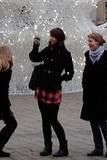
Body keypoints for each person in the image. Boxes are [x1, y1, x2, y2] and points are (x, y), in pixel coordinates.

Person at [29, 28, 74, 157]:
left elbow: (70, 73)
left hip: (54, 89)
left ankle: (63, 146)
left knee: (53, 119)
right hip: (42, 87)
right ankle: (47, 146)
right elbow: (34, 58)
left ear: (59, 38)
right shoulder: (48, 50)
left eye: (54, 37)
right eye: (51, 36)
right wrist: (35, 46)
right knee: (44, 119)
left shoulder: (65, 54)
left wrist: (59, 78)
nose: (51, 38)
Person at [80, 32, 107, 158]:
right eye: (88, 41)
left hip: (101, 94)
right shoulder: (87, 55)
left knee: (102, 121)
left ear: (98, 42)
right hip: (89, 94)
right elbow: (86, 72)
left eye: (91, 41)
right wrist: (84, 84)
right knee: (92, 122)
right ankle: (98, 148)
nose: (89, 43)